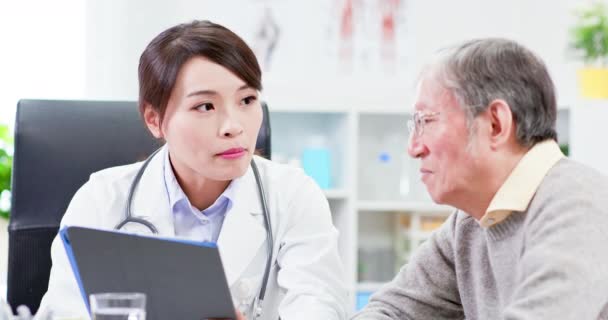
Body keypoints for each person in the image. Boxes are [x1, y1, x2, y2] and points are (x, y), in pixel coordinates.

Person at [38, 20, 348, 320]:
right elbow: (64, 313)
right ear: (154, 119)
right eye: (205, 106)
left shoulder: (294, 197)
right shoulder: (101, 201)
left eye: (247, 99)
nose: (233, 126)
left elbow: (320, 306)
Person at [353, 38, 608, 319]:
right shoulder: (470, 224)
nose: (413, 148)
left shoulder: (579, 205)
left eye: (426, 121)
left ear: (496, 124)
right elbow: (392, 310)